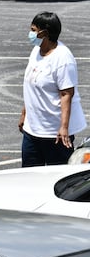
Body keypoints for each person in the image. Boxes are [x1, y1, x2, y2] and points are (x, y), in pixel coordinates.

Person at [19, 12, 87, 167]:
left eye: (33, 30)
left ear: (44, 33)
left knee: (56, 179)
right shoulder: (36, 50)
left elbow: (66, 94)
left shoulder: (63, 59)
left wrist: (64, 127)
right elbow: (31, 84)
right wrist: (24, 113)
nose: (31, 33)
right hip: (32, 130)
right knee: (28, 176)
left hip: (54, 134)